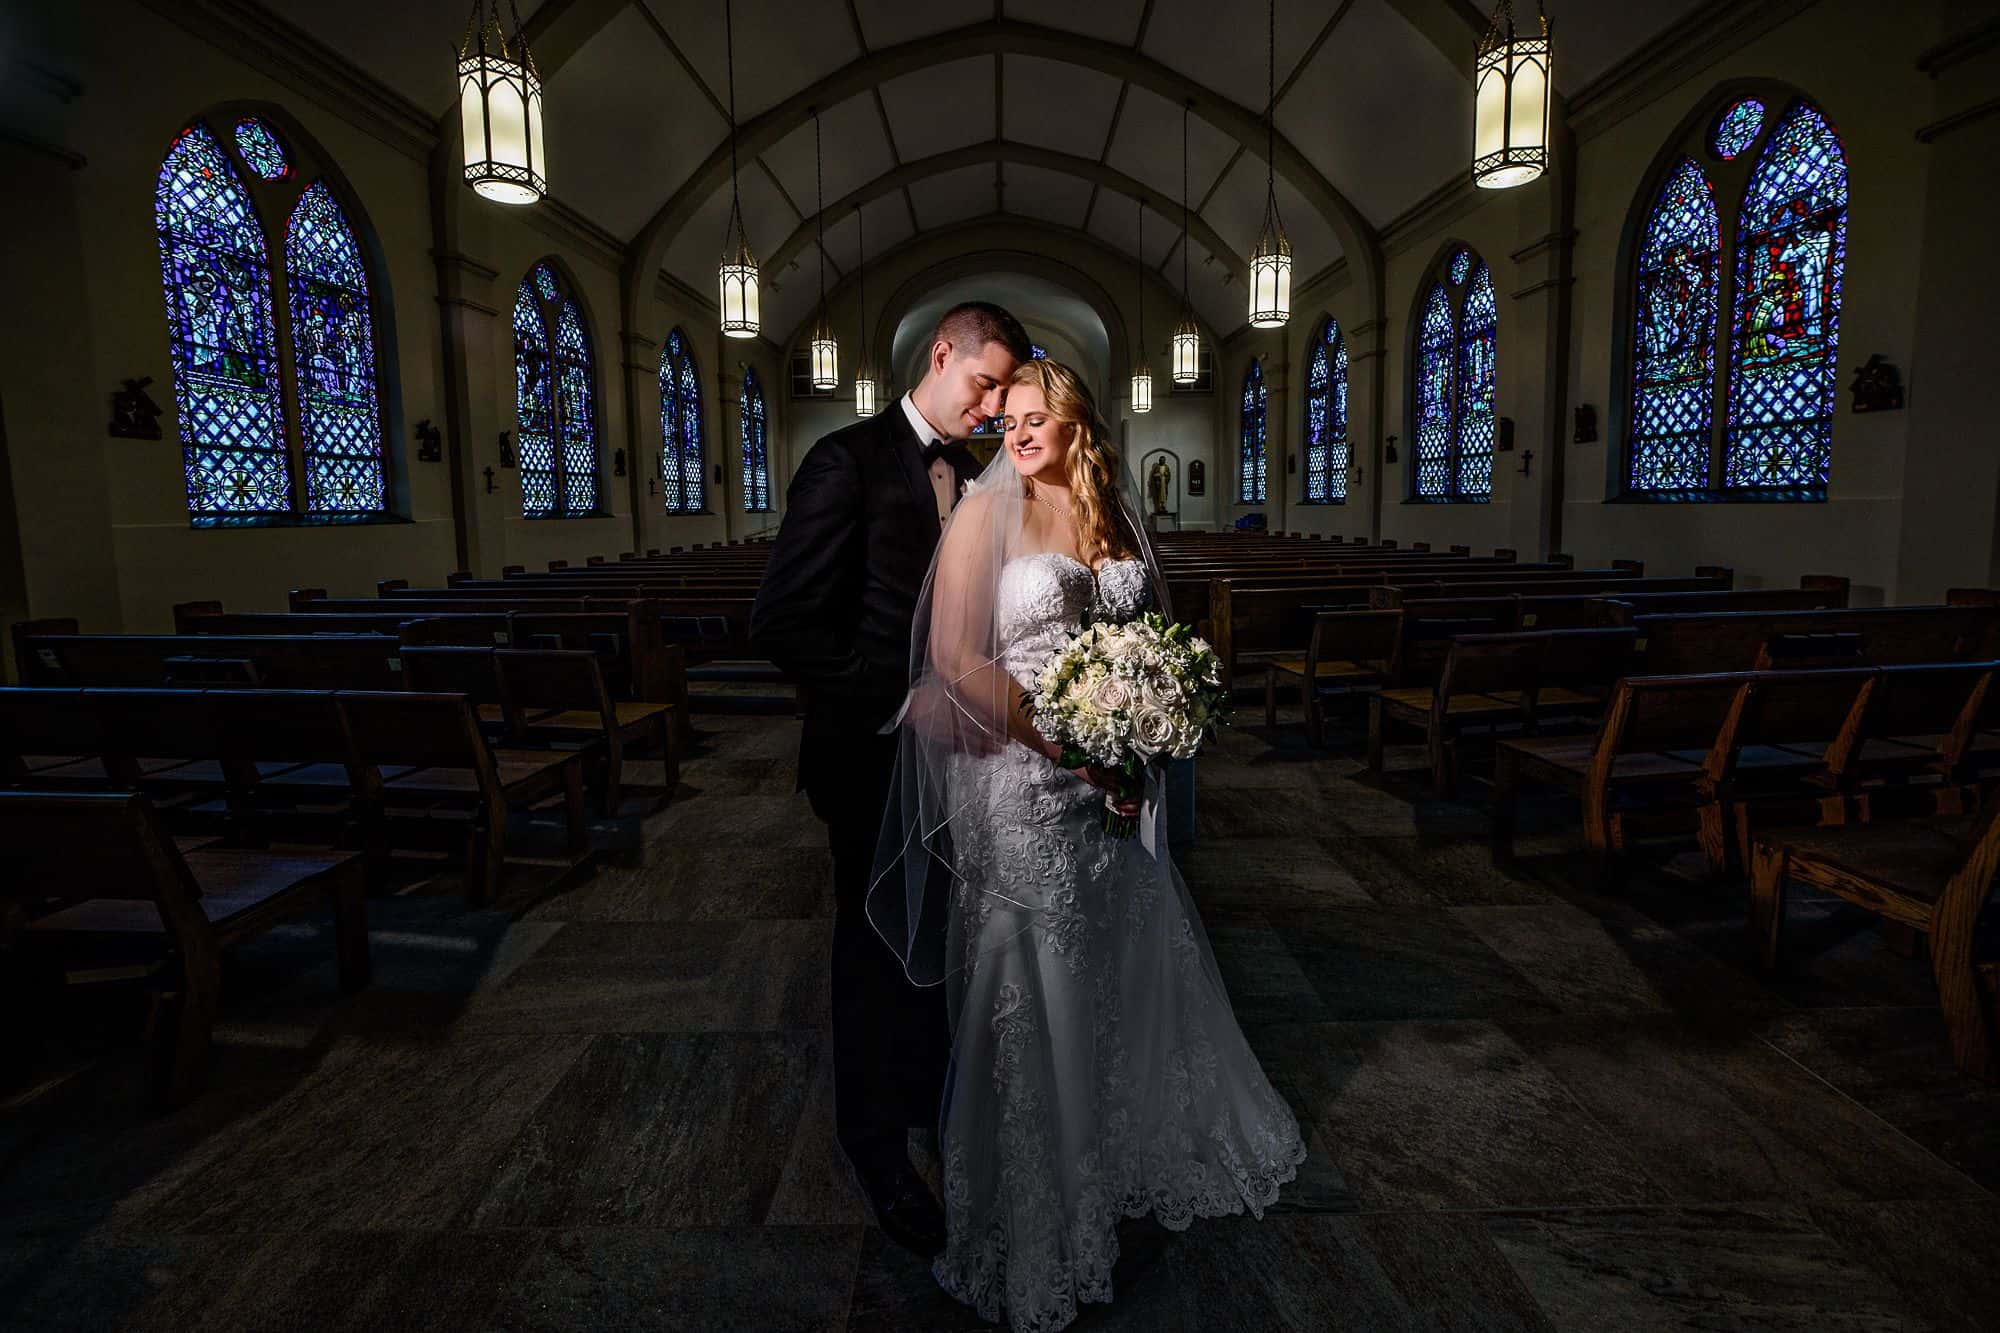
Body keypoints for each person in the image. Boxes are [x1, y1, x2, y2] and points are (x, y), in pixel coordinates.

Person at [870, 357, 1305, 1333]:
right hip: (1023, 781)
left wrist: (1146, 719)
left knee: (1115, 962)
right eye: (1007, 419)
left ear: (1075, 423)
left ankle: (1115, 1143)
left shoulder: (1109, 515)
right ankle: (1040, 1207)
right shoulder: (983, 518)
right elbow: (952, 664)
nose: (1017, 433)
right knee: (1036, 981)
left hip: (1109, 782)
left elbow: (1143, 635)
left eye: (1036, 416)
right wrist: (1069, 741)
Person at [750, 301, 1033, 1259]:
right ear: (940, 353)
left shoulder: (986, 468)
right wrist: (897, 700)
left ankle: (925, 1097)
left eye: (1006, 390)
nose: (994, 405)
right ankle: (874, 1150)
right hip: (869, 753)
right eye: (984, 382)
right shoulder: (847, 459)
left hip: (963, 758)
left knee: (936, 930)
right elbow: (785, 620)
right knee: (873, 945)